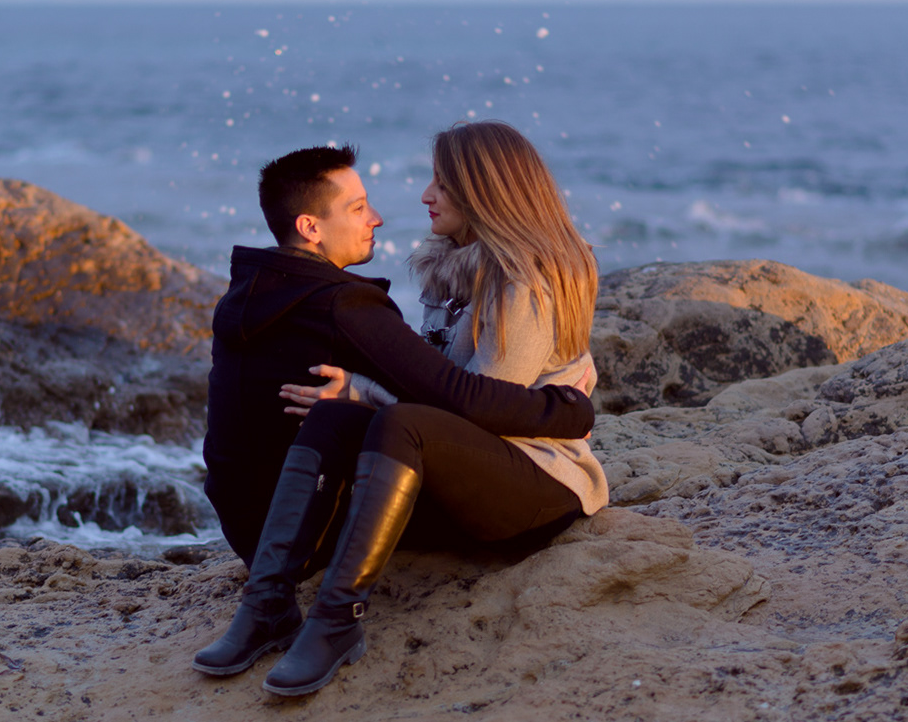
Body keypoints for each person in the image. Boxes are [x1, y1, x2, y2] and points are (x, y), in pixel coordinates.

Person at [198, 122, 608, 697]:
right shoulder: (452, 273)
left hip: (538, 481)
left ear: (484, 190)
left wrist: (569, 412)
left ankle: (337, 620)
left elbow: (477, 408)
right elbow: (442, 395)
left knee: (393, 419)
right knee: (333, 415)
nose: (425, 195)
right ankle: (267, 604)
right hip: (473, 475)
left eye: (442, 183)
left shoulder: (524, 279)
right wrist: (359, 395)